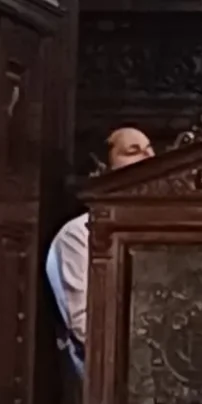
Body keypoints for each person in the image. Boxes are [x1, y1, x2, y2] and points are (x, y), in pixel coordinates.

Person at [46, 126, 155, 378]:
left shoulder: (161, 228)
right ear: (102, 169)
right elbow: (84, 322)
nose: (148, 158)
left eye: (150, 150)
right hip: (109, 375)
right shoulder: (77, 234)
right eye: (133, 151)